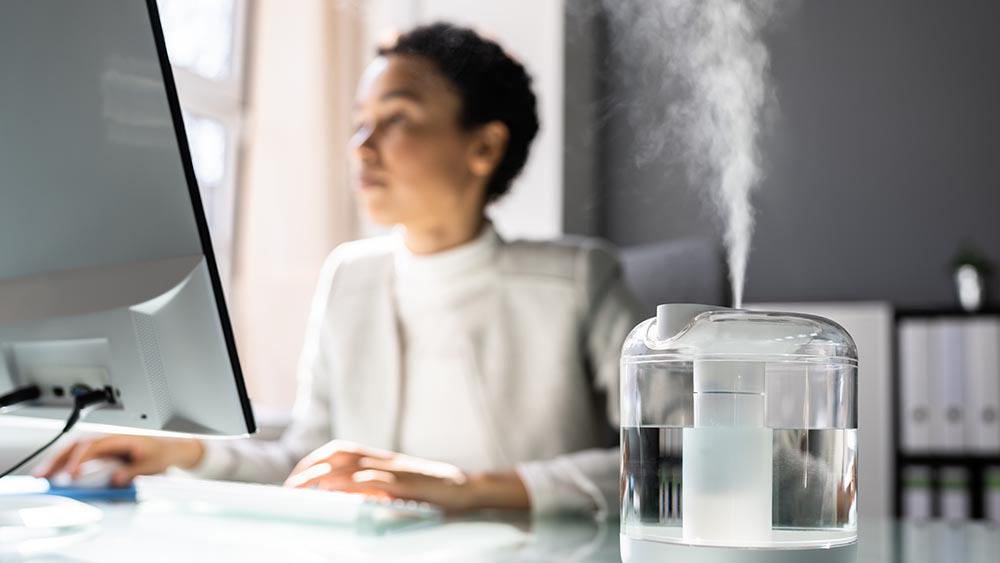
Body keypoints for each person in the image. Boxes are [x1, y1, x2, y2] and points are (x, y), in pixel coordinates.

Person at [36, 22, 639, 516]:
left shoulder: (579, 279)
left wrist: (466, 486)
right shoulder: (350, 276)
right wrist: (182, 452)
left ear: (484, 147)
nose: (361, 143)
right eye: (360, 118)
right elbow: (307, 455)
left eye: (396, 117)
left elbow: (668, 464)